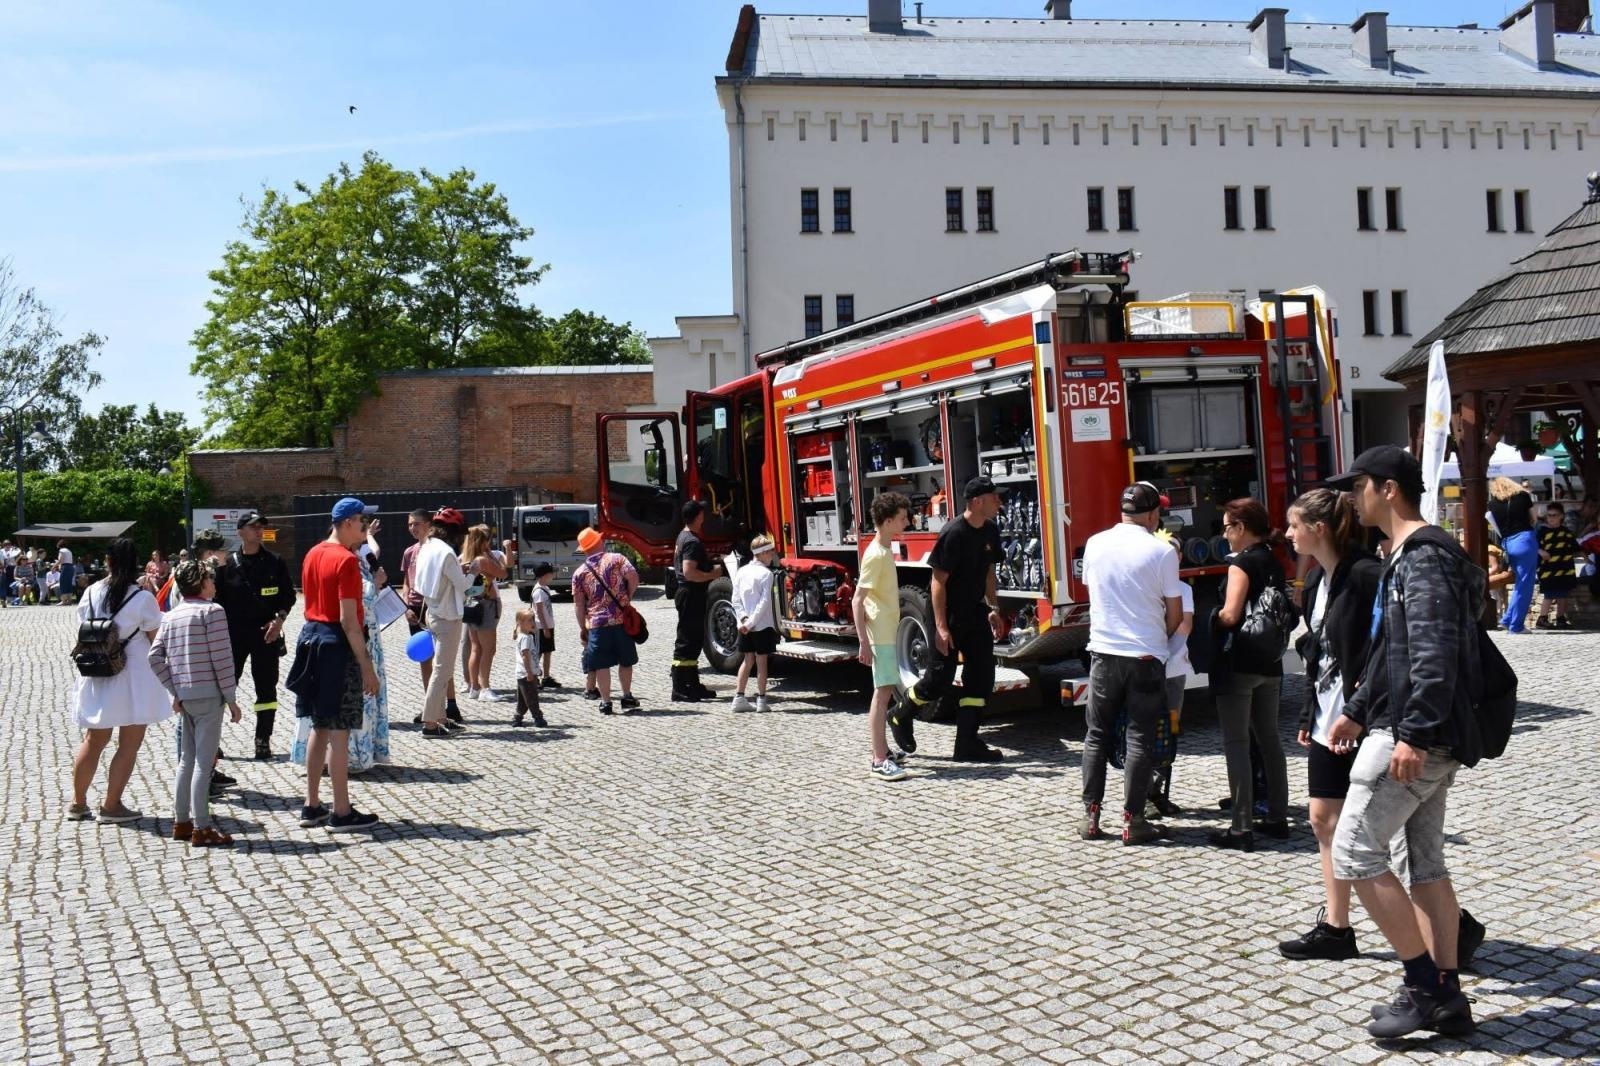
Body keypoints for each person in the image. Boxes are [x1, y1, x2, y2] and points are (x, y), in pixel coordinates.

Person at [1325, 446, 1483, 1039]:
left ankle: (1423, 986)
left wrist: (1412, 733)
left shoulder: (1424, 558)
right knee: (1426, 863)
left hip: (1415, 736)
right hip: (1408, 729)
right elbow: (1392, 648)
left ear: (1388, 489)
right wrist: (1357, 710)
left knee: (1354, 852)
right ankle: (1447, 997)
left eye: (1358, 486)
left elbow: (1434, 655)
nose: (1352, 498)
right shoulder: (1403, 555)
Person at [1276, 488, 1382, 959]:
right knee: (1323, 821)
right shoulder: (1318, 579)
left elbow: (1384, 651)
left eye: (1294, 525)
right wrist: (1309, 711)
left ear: (1318, 529)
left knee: (1382, 832)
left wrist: (1356, 710)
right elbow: (1317, 651)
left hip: (1365, 720)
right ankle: (1337, 929)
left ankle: (1449, 923)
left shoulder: (1366, 575)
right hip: (1327, 719)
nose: (1287, 533)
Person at [1078, 481, 1184, 845]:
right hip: (1145, 655)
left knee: (1096, 734)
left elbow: (1095, 591)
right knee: (1139, 736)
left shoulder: (1095, 543)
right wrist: (1158, 639)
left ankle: (1090, 816)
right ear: (1153, 514)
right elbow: (1175, 613)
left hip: (1103, 652)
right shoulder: (1162, 551)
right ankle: (1133, 820)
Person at [889, 475, 1008, 763]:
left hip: (975, 611)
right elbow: (937, 582)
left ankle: (966, 743)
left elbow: (989, 573)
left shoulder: (990, 530)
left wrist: (993, 607)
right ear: (977, 502)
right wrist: (941, 628)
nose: (999, 501)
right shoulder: (954, 533)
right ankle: (900, 714)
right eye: (994, 497)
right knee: (938, 680)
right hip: (948, 613)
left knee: (981, 677)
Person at [283, 498, 381, 832]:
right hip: (337, 647)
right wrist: (366, 666)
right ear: (348, 522)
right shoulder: (346, 560)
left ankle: (311, 805)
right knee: (339, 732)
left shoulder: (313, 553)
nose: (365, 528)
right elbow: (349, 620)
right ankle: (341, 811)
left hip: (312, 641)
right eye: (362, 521)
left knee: (318, 726)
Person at [68, 537, 171, 823]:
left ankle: (78, 803)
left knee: (93, 740)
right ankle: (111, 806)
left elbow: (84, 624)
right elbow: (155, 639)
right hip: (133, 676)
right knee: (128, 745)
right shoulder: (142, 598)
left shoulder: (91, 592)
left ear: (108, 561)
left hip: (98, 670)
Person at [1209, 497, 1292, 850]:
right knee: (1270, 739)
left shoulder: (1241, 564)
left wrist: (1209, 617)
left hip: (1240, 663)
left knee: (1237, 743)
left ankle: (1240, 827)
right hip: (1271, 662)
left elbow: (1231, 615)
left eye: (1227, 528)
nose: (1225, 535)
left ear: (1241, 528)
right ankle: (1277, 817)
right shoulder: (1273, 559)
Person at [148, 559, 240, 847]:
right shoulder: (213, 612)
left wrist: (174, 690)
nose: (214, 582)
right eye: (210, 578)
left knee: (186, 760)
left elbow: (154, 657)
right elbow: (222, 659)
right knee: (203, 762)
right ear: (201, 583)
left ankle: (181, 821)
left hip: (186, 696)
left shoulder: (171, 615)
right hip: (210, 695)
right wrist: (231, 698)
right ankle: (202, 826)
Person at [292, 521, 391, 773]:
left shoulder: (326, 555)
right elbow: (351, 612)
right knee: (340, 714)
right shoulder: (345, 561)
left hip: (339, 635)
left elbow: (373, 552)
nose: (363, 538)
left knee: (323, 717)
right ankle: (348, 763)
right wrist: (376, 583)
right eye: (360, 529)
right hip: (350, 637)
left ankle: (319, 789)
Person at [213, 511, 297, 760]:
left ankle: (263, 740)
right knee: (224, 687)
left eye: (261, 527)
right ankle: (212, 740)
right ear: (240, 532)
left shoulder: (275, 561)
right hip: (234, 637)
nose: (259, 531)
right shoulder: (226, 565)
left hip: (266, 635)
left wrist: (279, 620)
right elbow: (216, 600)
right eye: (253, 527)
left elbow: (288, 596)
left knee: (266, 689)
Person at [853, 492, 913, 781]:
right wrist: (863, 641)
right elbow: (857, 600)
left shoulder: (883, 549)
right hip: (881, 634)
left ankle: (884, 752)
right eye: (902, 518)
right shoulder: (876, 555)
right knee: (883, 694)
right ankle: (878, 760)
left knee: (885, 692)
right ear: (888, 522)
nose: (907, 522)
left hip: (886, 630)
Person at [413, 508, 471, 738]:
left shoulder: (427, 547)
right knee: (442, 670)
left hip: (433, 611)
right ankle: (430, 723)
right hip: (447, 617)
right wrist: (474, 571)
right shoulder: (447, 552)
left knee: (442, 669)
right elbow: (464, 585)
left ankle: (441, 717)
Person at [572, 526, 641, 716]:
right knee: (625, 660)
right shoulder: (617, 559)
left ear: (584, 549)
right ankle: (626, 696)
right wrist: (627, 598)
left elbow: (578, 604)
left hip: (597, 624)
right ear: (599, 542)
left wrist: (583, 627)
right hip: (620, 619)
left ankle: (606, 702)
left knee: (601, 664)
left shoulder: (579, 573)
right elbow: (633, 576)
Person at [1151, 531, 1192, 818]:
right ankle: (1145, 794)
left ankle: (1160, 792)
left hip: (1174, 670)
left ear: (1179, 557)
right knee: (1145, 732)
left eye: (1173, 551)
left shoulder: (1183, 589)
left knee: (1170, 734)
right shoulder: (1146, 586)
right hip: (1148, 669)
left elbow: (1185, 625)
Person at [671, 501, 723, 702]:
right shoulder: (691, 541)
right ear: (698, 516)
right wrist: (712, 574)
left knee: (693, 640)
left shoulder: (683, 536)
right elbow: (689, 572)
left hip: (689, 593)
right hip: (691, 593)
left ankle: (692, 683)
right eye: (702, 512)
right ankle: (679, 687)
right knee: (687, 641)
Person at [460, 524, 510, 701]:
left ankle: (474, 687)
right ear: (482, 542)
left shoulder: (465, 559)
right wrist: (490, 554)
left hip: (471, 604)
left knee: (476, 648)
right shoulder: (483, 560)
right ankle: (485, 688)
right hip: (486, 605)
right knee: (489, 648)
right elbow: (503, 573)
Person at [731, 534, 779, 713]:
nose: (773, 554)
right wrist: (751, 623)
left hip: (744, 626)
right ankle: (761, 700)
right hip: (762, 625)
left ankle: (739, 697)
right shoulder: (767, 574)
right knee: (761, 662)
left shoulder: (742, 571)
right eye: (771, 551)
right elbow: (764, 603)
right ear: (763, 553)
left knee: (747, 660)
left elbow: (735, 599)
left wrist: (744, 620)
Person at [1487, 475, 1537, 632]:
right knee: (1525, 585)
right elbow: (1534, 519)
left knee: (1519, 583)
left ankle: (1507, 619)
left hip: (1508, 543)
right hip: (1524, 540)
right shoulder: (1522, 496)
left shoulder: (1492, 504)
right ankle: (1516, 625)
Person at [399, 508, 435, 692]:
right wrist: (405, 607)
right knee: (424, 656)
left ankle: (449, 701)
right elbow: (406, 582)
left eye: (416, 524)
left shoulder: (437, 550)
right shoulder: (409, 552)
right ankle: (429, 698)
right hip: (414, 608)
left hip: (434, 606)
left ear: (428, 524)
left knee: (441, 656)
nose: (413, 528)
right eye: (410, 525)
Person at [1532, 501, 1581, 629]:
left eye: (1554, 515)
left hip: (1565, 569)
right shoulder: (1541, 531)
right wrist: (1540, 551)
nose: (1551, 518)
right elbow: (1532, 545)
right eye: (1549, 515)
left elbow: (1576, 547)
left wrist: (1586, 558)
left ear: (1561, 516)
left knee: (1563, 595)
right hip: (1548, 570)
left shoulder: (1566, 532)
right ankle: (1542, 619)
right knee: (1549, 595)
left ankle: (1560, 619)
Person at [512, 607, 547, 728]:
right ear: (520, 623)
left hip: (526, 673)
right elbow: (525, 656)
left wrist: (537, 669)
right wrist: (529, 673)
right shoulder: (525, 638)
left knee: (523, 699)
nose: (532, 623)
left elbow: (532, 657)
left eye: (533, 619)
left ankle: (517, 717)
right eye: (529, 620)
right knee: (532, 698)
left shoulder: (528, 636)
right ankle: (538, 717)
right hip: (526, 674)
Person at [531, 562, 559, 687]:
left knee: (548, 651)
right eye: (551, 574)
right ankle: (534, 676)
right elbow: (539, 611)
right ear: (545, 575)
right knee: (538, 652)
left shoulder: (545, 588)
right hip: (541, 627)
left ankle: (546, 677)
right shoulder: (538, 591)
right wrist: (545, 628)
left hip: (548, 625)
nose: (552, 576)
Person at [56, 540, 76, 604]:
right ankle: (69, 600)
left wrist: (54, 566)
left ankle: (63, 601)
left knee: (63, 583)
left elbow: (60, 560)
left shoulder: (61, 551)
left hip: (65, 567)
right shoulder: (69, 551)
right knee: (69, 584)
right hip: (71, 567)